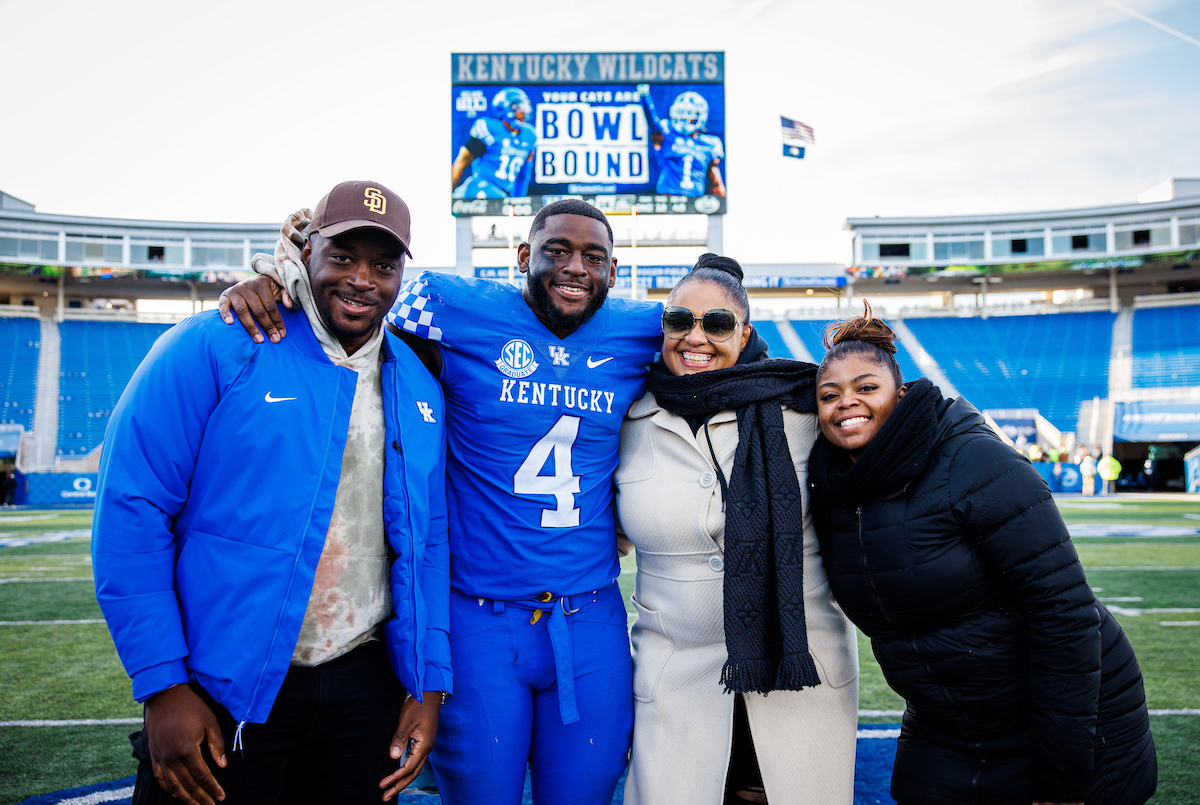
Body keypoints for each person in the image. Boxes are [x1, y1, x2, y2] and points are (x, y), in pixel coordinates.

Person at [219, 198, 663, 805]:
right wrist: (276, 281)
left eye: (593, 256)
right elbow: (354, 301)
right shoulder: (452, 306)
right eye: (557, 251)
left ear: (612, 268)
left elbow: (728, 345)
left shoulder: (643, 328)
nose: (575, 268)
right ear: (523, 256)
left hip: (590, 614)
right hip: (477, 614)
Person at [93, 180, 451, 805]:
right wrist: (162, 685)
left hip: (362, 679)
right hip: (221, 679)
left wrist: (427, 684)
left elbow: (428, 543)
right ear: (304, 253)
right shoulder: (212, 343)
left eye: (384, 265)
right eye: (342, 257)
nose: (362, 279)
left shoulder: (416, 378)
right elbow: (133, 509)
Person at [807, 308, 1156, 805]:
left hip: (1066, 720)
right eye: (830, 395)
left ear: (901, 396)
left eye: (866, 387)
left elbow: (1065, 615)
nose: (847, 402)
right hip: (947, 720)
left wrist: (1062, 776)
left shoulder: (973, 459)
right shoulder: (832, 488)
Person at [614, 256, 859, 805]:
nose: (695, 337)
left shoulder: (803, 405)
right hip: (676, 686)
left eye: (718, 324)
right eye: (679, 320)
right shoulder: (624, 418)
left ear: (744, 334)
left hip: (798, 677)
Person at [635, 84, 725, 197]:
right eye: (681, 114)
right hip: (668, 199)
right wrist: (644, 96)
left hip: (695, 201)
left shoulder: (709, 144)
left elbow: (715, 184)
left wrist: (721, 204)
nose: (684, 119)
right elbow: (652, 123)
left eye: (690, 115)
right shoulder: (667, 136)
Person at [451, 87, 537, 199]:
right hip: (479, 186)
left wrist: (518, 202)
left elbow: (523, 176)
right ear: (503, 108)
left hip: (502, 194)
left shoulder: (529, 135)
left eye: (525, 106)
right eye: (517, 106)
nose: (523, 111)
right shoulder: (490, 127)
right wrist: (449, 197)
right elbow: (461, 162)